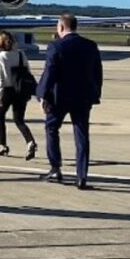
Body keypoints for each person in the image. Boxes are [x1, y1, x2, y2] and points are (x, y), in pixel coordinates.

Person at [36, 13, 103, 189]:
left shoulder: (56, 46)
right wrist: (95, 93)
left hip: (59, 97)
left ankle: (55, 168)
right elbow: (97, 72)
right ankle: (82, 176)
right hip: (83, 97)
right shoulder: (90, 46)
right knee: (81, 135)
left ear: (61, 27)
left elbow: (50, 72)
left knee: (51, 129)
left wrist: (43, 94)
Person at [0, 31, 37, 160]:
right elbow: (27, 70)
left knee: (0, 117)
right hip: (21, 89)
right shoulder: (21, 54)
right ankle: (30, 141)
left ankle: (2, 145)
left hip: (7, 90)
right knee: (19, 119)